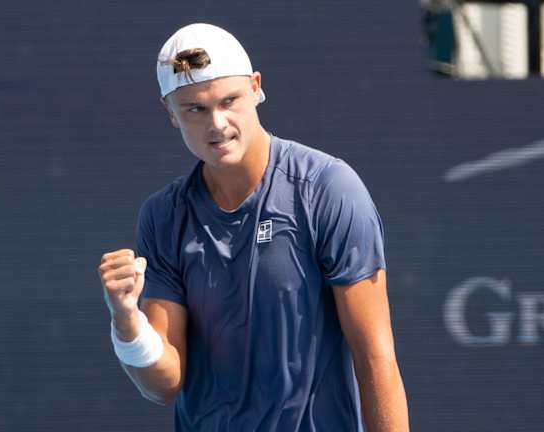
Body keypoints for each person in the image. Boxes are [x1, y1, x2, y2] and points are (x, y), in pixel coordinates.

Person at [97, 23, 409, 431]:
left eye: (230, 101)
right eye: (196, 109)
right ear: (170, 112)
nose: (217, 123)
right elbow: (164, 385)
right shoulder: (162, 216)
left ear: (256, 87)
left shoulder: (328, 189)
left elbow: (375, 355)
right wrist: (126, 320)